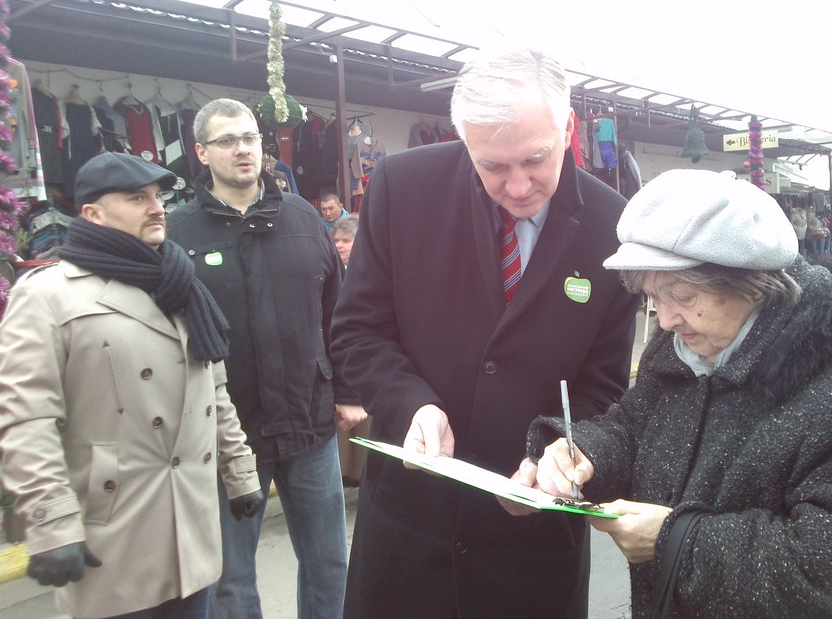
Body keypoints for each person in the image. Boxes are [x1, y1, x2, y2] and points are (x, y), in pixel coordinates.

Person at [514, 169, 832, 619]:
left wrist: (678, 542)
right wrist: (584, 454)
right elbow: (634, 424)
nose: (664, 321)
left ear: (749, 282)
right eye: (652, 299)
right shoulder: (685, 347)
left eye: (679, 296)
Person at [330, 46, 641, 619]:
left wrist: (557, 457)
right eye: (493, 167)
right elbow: (357, 331)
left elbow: (606, 391)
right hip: (408, 531)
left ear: (567, 127)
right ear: (465, 141)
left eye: (537, 159)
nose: (518, 186)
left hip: (531, 547)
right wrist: (410, 403)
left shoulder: (611, 226)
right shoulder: (403, 187)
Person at [0, 152, 264, 619]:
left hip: (192, 524)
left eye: (158, 197)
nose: (157, 207)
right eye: (137, 198)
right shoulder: (47, 294)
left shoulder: (179, 280)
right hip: (114, 529)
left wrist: (240, 471)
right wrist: (51, 521)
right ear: (93, 214)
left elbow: (212, 385)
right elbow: (26, 419)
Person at [166, 99, 367, 619]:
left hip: (309, 425)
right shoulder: (179, 233)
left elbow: (338, 315)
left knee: (328, 565)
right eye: (228, 140)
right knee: (232, 580)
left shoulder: (303, 219)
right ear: (202, 152)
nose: (243, 149)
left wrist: (346, 390)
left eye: (251, 138)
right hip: (229, 436)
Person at [330, 212, 370, 485]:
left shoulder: (370, 273)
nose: (340, 245)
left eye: (346, 240)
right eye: (336, 240)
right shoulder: (331, 274)